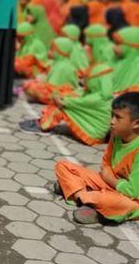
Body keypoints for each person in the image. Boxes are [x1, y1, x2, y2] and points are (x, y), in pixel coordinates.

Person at [54, 92, 139, 224]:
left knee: (115, 201)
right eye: (112, 116)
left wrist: (110, 179)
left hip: (131, 198)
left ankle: (81, 195)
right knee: (63, 166)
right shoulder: (116, 134)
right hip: (110, 183)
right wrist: (108, 177)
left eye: (118, 117)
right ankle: (87, 200)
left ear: (136, 123)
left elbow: (133, 191)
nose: (111, 121)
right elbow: (105, 163)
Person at [31, 64, 113, 146]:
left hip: (92, 135)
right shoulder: (104, 95)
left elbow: (62, 102)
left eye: (89, 78)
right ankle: (43, 121)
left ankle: (43, 126)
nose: (86, 81)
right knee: (66, 95)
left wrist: (57, 96)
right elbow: (76, 94)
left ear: (96, 80)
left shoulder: (97, 98)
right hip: (98, 134)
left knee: (60, 108)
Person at [22, 37, 79, 105]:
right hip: (56, 91)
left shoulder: (62, 67)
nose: (49, 52)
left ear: (59, 51)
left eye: (52, 50)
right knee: (32, 83)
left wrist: (40, 83)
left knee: (31, 86)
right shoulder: (59, 63)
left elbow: (53, 87)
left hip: (58, 94)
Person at [112, 27, 139, 95]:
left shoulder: (136, 66)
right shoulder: (116, 60)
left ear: (131, 46)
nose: (113, 47)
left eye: (118, 44)